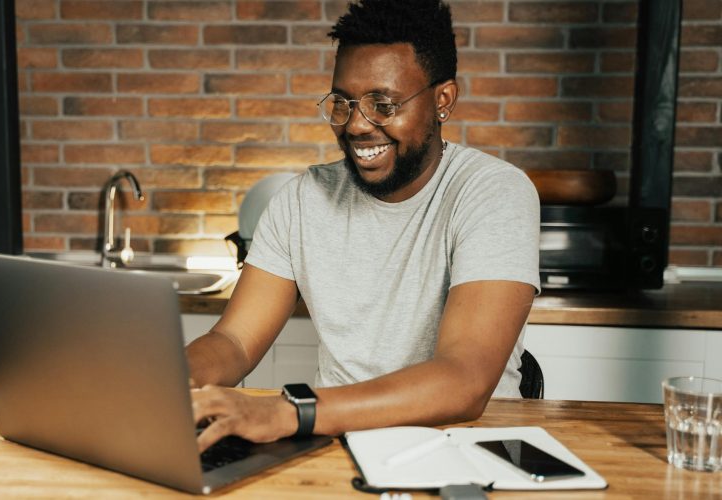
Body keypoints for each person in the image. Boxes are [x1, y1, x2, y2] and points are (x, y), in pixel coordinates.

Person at [186, 0, 540, 452]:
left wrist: (289, 411)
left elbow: (463, 381)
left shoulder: (493, 193)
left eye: (382, 105)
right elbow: (233, 340)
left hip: (464, 448)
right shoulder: (301, 200)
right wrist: (168, 381)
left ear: (443, 99)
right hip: (331, 443)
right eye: (343, 103)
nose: (356, 125)